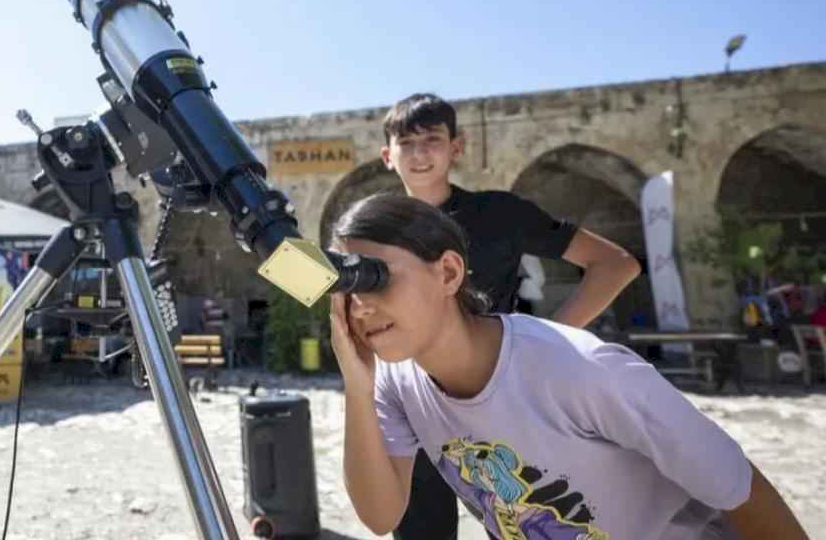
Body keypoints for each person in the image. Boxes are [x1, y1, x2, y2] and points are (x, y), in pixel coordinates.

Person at [331, 192, 807, 540]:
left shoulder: (580, 369)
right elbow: (381, 516)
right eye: (348, 288)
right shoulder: (395, 384)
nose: (362, 306)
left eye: (374, 277)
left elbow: (744, 489)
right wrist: (357, 385)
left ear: (449, 273)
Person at [377, 93, 643, 539]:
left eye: (432, 139)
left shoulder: (500, 214)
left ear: (456, 147)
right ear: (388, 156)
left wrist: (545, 341)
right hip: (413, 401)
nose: (420, 153)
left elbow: (616, 264)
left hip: (497, 400)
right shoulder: (377, 232)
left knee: (529, 527)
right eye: (407, 142)